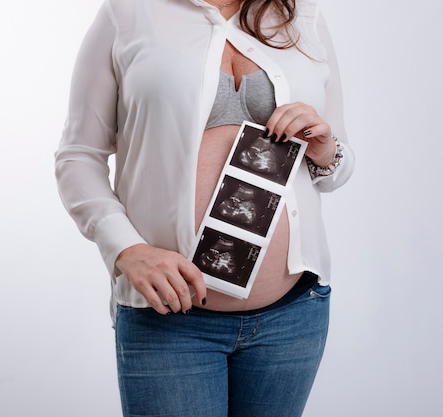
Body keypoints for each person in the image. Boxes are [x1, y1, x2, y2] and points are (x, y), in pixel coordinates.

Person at [55, 0, 355, 416]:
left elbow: (336, 167)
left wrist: (326, 150)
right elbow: (78, 155)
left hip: (293, 317)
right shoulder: (127, 13)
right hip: (169, 319)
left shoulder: (303, 15)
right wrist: (128, 251)